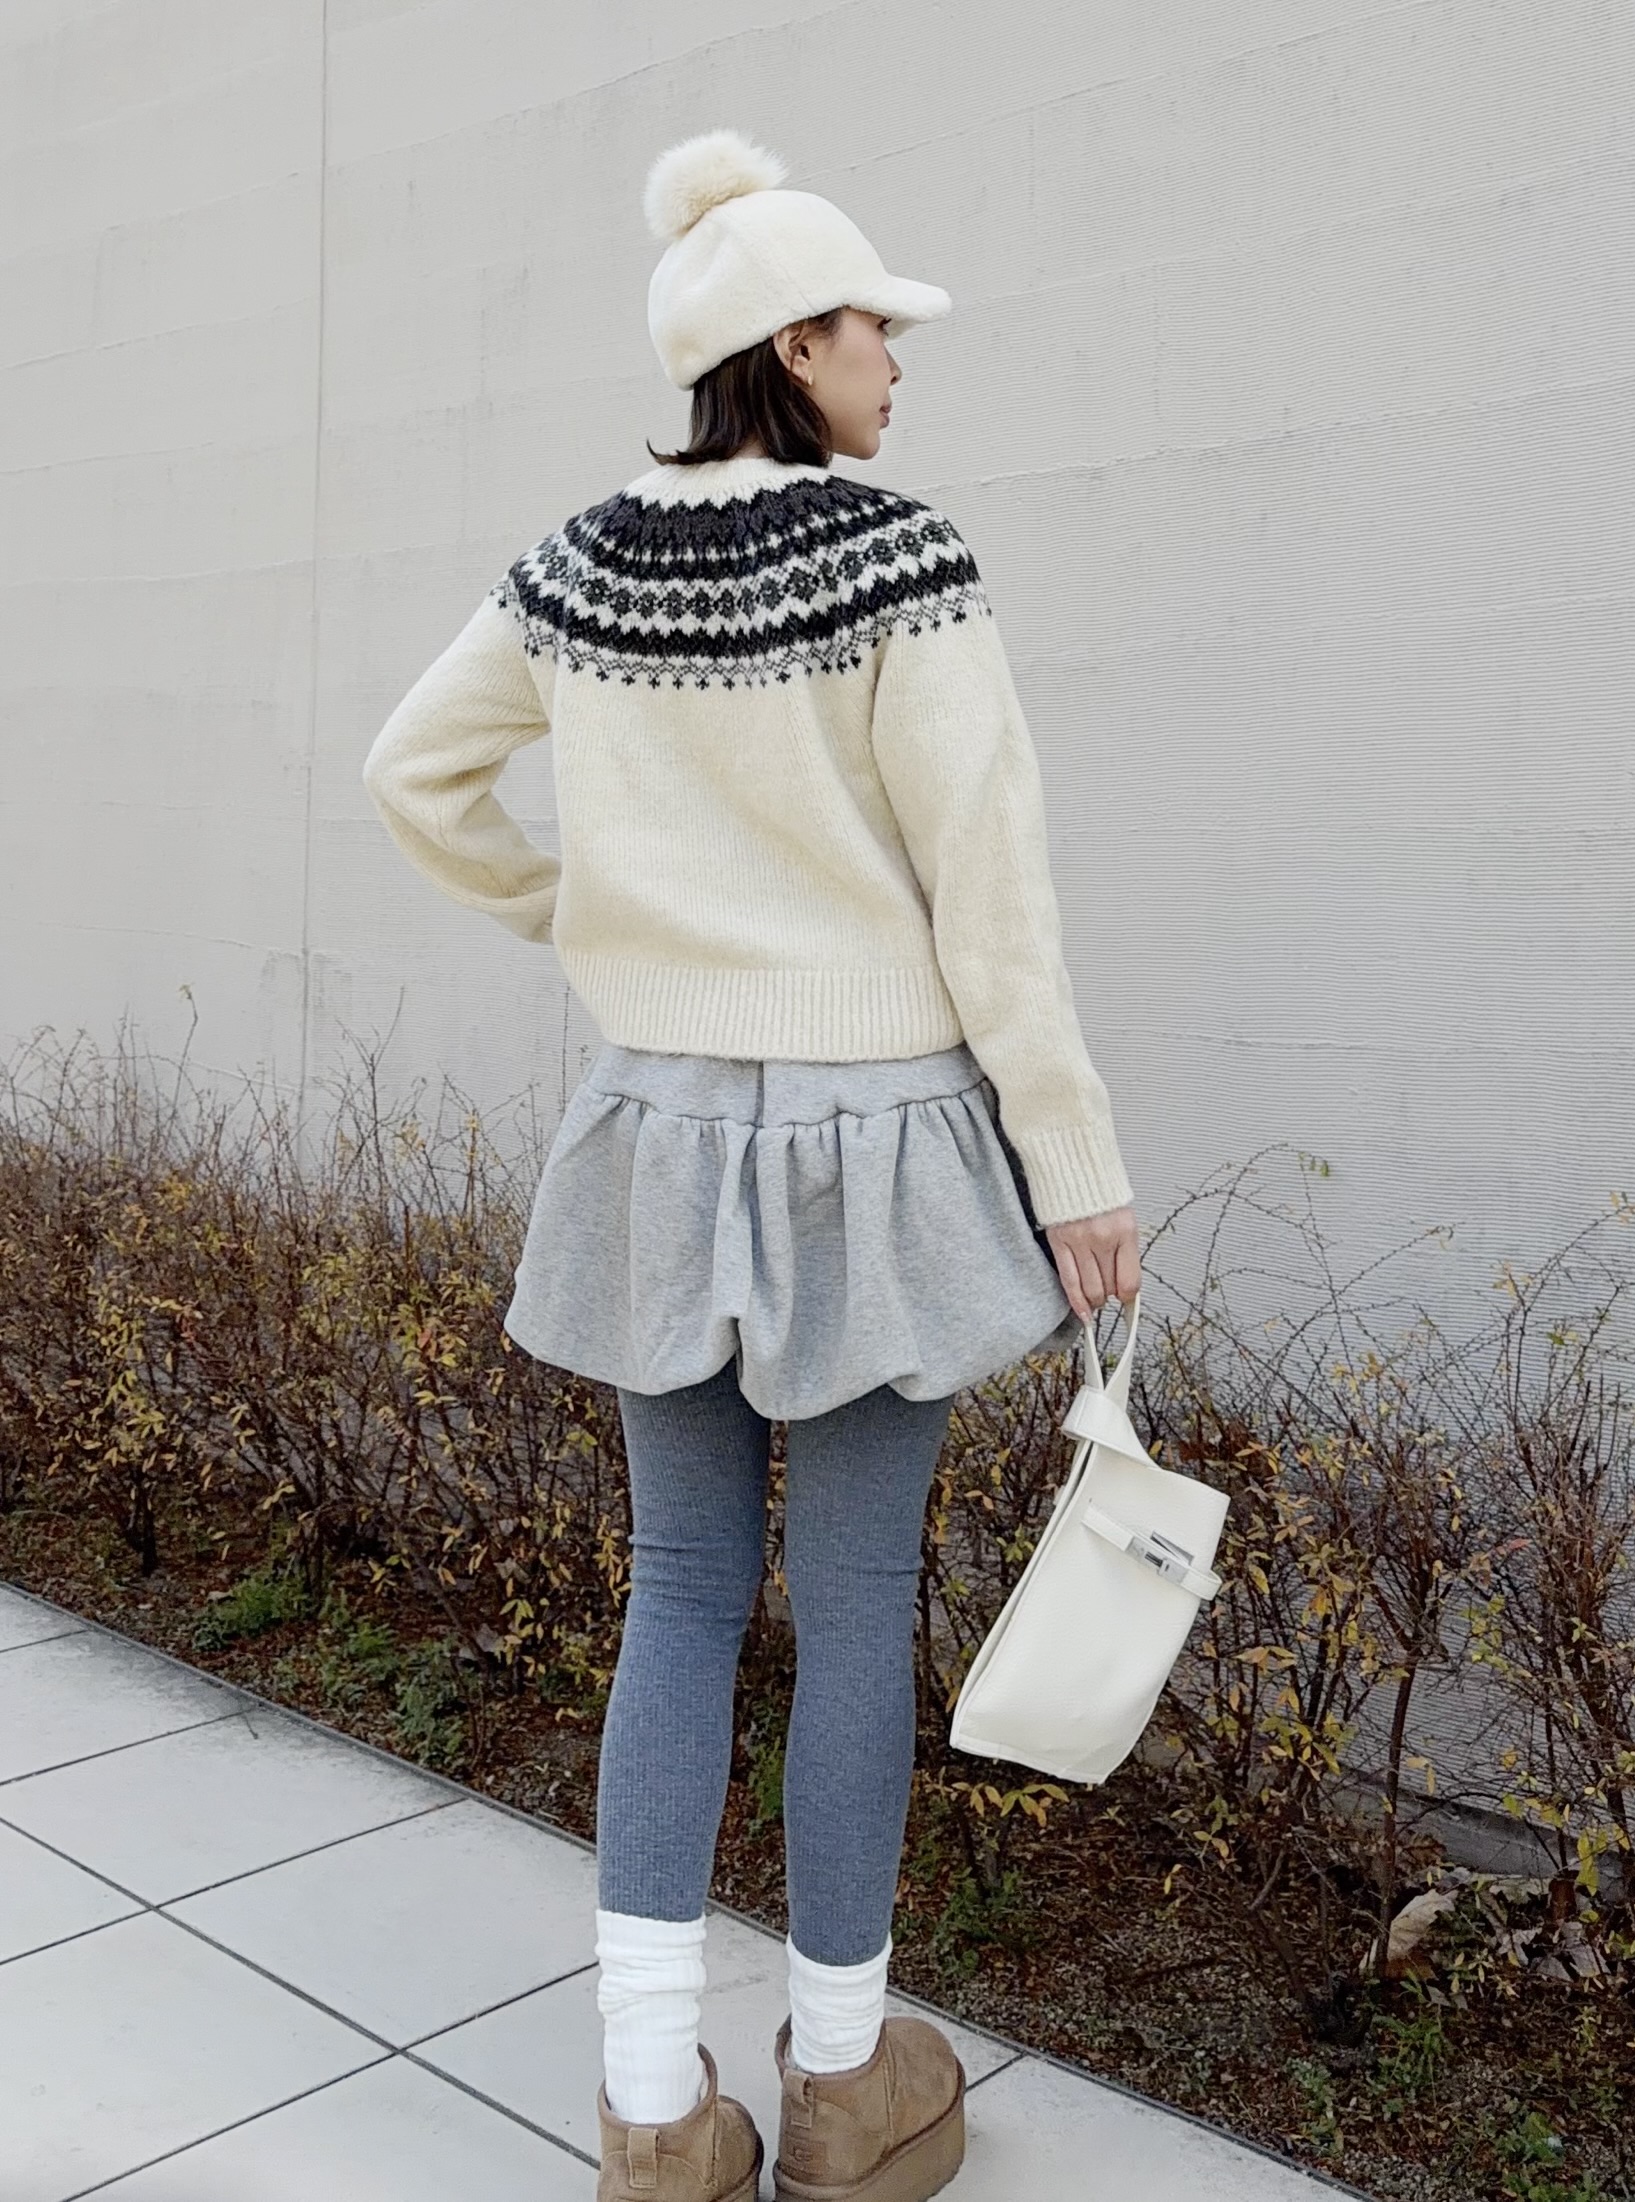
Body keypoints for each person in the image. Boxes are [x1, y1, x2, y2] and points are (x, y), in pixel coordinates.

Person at [362, 125, 1140, 2202]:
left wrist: (587, 916)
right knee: (858, 1607)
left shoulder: (578, 563)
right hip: (877, 1144)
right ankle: (842, 2086)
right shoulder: (899, 559)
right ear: (796, 342)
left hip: (658, 1128)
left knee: (682, 1593)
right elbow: (992, 895)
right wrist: (1073, 1160)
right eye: (875, 327)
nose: (897, 360)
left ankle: (652, 2113)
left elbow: (413, 772)